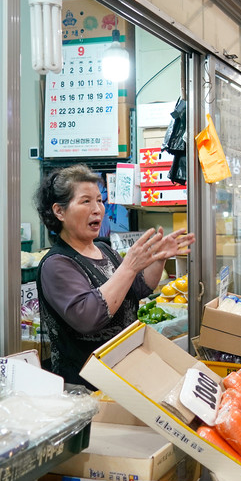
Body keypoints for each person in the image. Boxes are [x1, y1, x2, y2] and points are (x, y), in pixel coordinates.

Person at [34, 164, 195, 387]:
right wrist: (129, 267)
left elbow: (139, 288)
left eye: (99, 200)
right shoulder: (57, 264)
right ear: (59, 211)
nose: (97, 209)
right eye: (86, 201)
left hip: (123, 374)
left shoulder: (105, 249)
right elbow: (89, 317)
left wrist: (159, 258)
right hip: (86, 386)